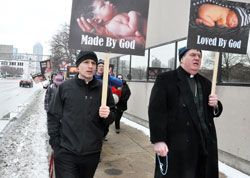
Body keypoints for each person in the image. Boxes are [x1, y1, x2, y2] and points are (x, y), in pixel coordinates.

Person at [148, 47, 223, 178]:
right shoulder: (166, 79)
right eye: (193, 54)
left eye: (199, 56)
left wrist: (216, 105)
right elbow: (156, 111)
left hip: (204, 143)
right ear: (182, 59)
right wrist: (159, 140)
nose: (197, 58)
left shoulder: (206, 83)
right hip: (178, 144)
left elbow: (210, 112)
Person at [47, 51, 115, 178]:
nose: (90, 66)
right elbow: (53, 115)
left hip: (91, 153)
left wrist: (108, 115)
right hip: (66, 151)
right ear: (78, 66)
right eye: (86, 62)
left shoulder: (104, 89)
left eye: (93, 63)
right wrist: (55, 143)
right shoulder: (65, 87)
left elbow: (112, 117)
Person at [77, 0, 147, 45]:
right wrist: (133, 14)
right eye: (103, 5)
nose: (108, 2)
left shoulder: (115, 18)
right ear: (97, 19)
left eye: (105, 1)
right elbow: (132, 29)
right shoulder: (112, 25)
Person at [94, 59, 122, 140]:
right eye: (99, 66)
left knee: (106, 119)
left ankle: (103, 135)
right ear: (97, 67)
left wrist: (108, 76)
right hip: (95, 101)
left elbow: (120, 83)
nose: (101, 68)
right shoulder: (93, 77)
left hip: (106, 102)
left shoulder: (108, 78)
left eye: (103, 66)